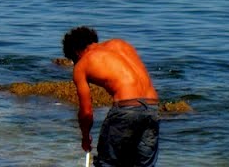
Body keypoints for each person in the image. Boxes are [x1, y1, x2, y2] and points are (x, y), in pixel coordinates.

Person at [63, 26, 160, 167]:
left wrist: (85, 137)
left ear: (76, 52)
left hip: (126, 109)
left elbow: (86, 112)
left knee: (108, 162)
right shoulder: (121, 44)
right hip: (152, 107)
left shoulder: (82, 65)